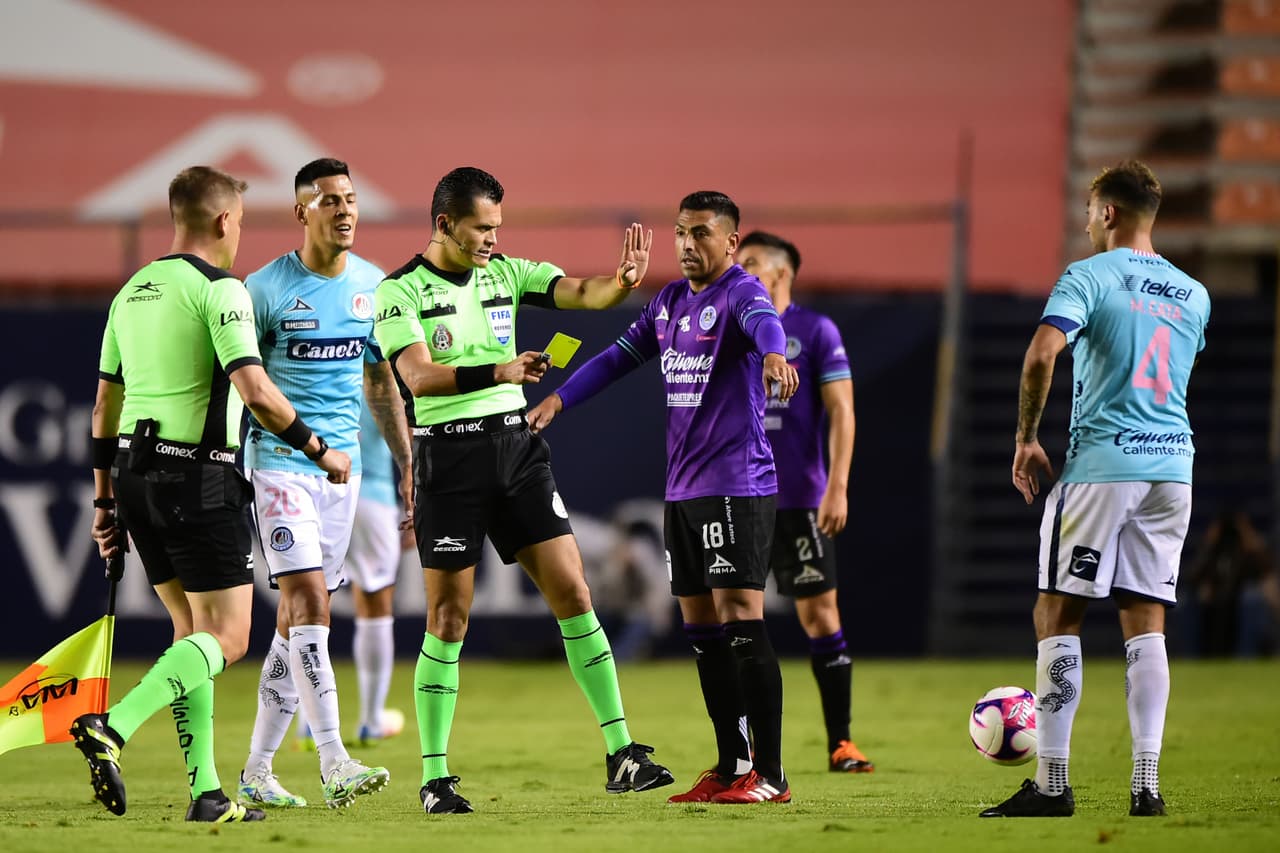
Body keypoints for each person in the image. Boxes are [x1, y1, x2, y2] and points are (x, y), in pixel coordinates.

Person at [372, 166, 674, 814]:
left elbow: (578, 291)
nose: (491, 239)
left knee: (574, 590)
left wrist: (618, 283)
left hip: (517, 451)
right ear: (445, 223)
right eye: (481, 228)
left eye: (497, 228)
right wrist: (500, 368)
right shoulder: (399, 292)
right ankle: (434, 776)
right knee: (448, 617)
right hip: (448, 459)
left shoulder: (507, 273)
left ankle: (621, 752)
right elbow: (419, 377)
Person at [78, 165, 350, 823]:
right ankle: (114, 723)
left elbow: (102, 409)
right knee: (227, 639)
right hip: (198, 476)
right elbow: (255, 390)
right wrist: (321, 449)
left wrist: (105, 503)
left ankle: (205, 791)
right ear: (225, 220)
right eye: (241, 223)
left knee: (189, 632)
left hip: (136, 475)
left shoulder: (131, 290)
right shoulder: (221, 289)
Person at [529, 191, 801, 805]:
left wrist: (776, 354)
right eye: (680, 232)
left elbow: (765, 325)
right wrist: (560, 399)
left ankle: (773, 775)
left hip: (735, 483)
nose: (686, 244)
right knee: (700, 625)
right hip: (683, 490)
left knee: (740, 616)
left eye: (701, 233)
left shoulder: (740, 291)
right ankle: (732, 765)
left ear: (731, 243)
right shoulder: (670, 303)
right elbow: (615, 359)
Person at [980, 160, 1210, 818]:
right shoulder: (1194, 294)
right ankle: (1146, 784)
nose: (1085, 221)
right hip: (1172, 469)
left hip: (1102, 467)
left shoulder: (1088, 276)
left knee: (1058, 616)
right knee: (1147, 622)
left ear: (1108, 213)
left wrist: (1027, 437)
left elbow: (1041, 352)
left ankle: (1052, 784)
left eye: (1088, 210)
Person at [237, 158, 412, 810]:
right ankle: (335, 756)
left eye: (351, 199)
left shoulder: (374, 287)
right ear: (301, 211)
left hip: (348, 476)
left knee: (293, 624)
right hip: (281, 466)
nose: (344, 210)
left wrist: (405, 459)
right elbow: (244, 387)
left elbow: (379, 382)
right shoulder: (265, 289)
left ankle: (257, 767)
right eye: (329, 200)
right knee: (309, 599)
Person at [736, 231, 873, 774]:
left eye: (749, 264)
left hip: (798, 498)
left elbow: (842, 410)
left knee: (819, 614)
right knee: (736, 623)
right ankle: (743, 753)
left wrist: (836, 485)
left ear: (780, 273)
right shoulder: (731, 322)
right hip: (740, 494)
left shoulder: (815, 330)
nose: (740, 271)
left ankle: (841, 742)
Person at [344, 397, 412, 742]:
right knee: (375, 604)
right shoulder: (381, 364)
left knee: (303, 603)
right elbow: (410, 434)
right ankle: (371, 719)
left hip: (317, 490)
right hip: (372, 495)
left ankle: (306, 724)